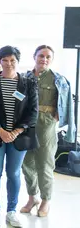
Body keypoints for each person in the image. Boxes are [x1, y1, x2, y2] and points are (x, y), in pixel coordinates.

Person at [0, 46, 39, 228]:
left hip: (18, 136)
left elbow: (33, 112)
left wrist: (16, 131)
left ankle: (11, 211)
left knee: (13, 172)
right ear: (0, 61)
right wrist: (0, 130)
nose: (8, 63)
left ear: (18, 61)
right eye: (5, 60)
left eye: (12, 60)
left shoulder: (28, 83)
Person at [21, 45, 75, 218]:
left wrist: (67, 125)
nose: (44, 59)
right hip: (26, 124)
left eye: (47, 57)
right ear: (34, 57)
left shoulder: (58, 80)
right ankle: (32, 197)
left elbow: (67, 105)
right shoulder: (24, 78)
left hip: (46, 124)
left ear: (51, 59)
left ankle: (46, 200)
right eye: (41, 56)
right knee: (26, 163)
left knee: (45, 163)